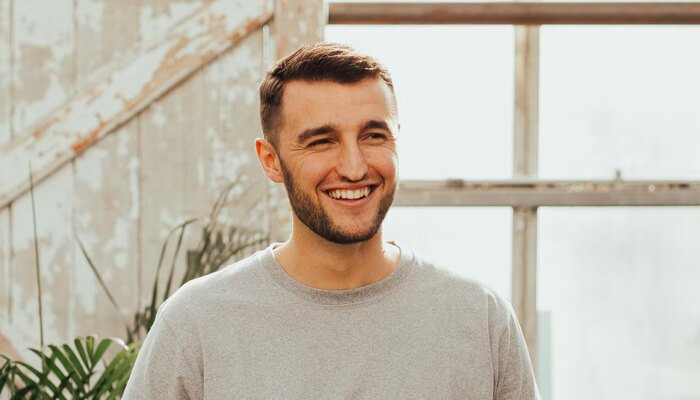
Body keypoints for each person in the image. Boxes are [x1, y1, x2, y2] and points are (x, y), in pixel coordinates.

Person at [123, 42, 540, 399]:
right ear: (271, 160)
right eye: (322, 141)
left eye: (374, 136)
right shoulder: (195, 323)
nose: (354, 168)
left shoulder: (481, 318)